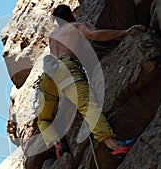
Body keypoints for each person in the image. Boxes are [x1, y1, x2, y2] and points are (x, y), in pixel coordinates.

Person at [36, 4, 146, 154]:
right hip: (66, 70)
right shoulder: (76, 26)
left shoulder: (53, 36)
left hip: (48, 75)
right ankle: (114, 145)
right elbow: (95, 35)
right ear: (71, 15)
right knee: (87, 105)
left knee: (43, 117)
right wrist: (124, 32)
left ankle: (56, 143)